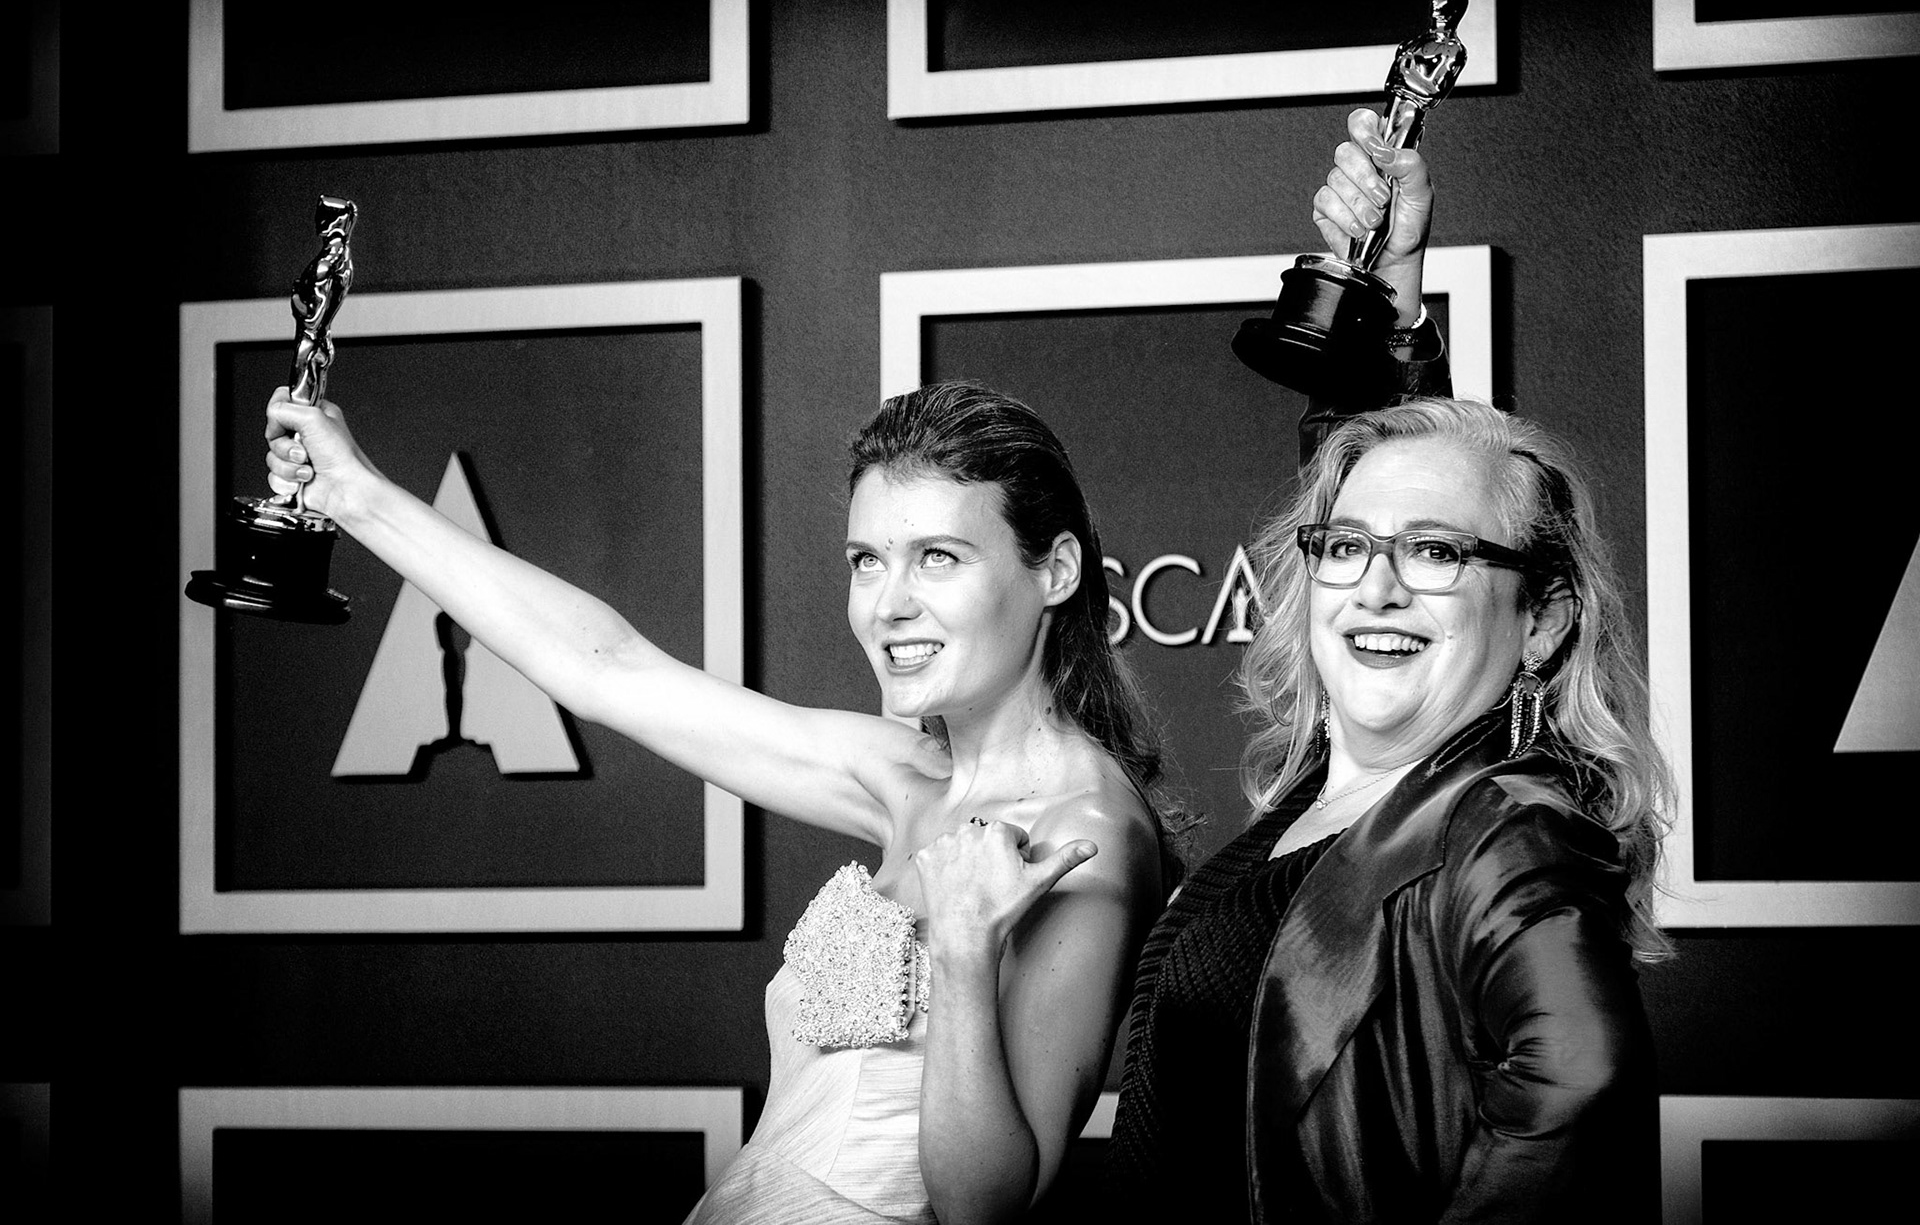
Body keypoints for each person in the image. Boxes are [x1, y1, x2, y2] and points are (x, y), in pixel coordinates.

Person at [262, 380, 1172, 1223]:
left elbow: (984, 1204)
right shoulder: (904, 776)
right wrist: (357, 495)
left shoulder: (1083, 834)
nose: (888, 604)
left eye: (937, 557)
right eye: (866, 560)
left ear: (1055, 571)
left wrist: (967, 957)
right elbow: (606, 669)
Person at [1106, 108, 1672, 1222]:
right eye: (1349, 547)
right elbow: (1405, 480)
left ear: (1546, 620)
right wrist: (1391, 296)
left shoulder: (1506, 825)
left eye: (1433, 554)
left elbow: (1580, 1088)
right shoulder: (1343, 791)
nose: (1376, 583)